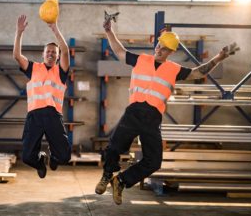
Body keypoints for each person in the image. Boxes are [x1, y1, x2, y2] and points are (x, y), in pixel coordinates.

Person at [95, 16, 236, 205]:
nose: (159, 50)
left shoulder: (174, 69)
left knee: (154, 162)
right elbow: (120, 51)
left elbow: (199, 72)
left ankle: (120, 181)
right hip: (134, 112)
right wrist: (109, 31)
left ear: (171, 51)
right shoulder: (140, 60)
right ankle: (107, 175)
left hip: (153, 117)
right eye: (158, 46)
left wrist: (219, 57)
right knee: (113, 147)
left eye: (164, 48)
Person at [13, 14, 71, 179]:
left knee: (64, 157)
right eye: (48, 51)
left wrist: (55, 29)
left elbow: (66, 50)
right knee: (27, 157)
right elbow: (17, 56)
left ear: (58, 56)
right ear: (43, 54)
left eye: (54, 52)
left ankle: (53, 157)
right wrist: (19, 32)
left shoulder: (60, 71)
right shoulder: (33, 68)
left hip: (53, 116)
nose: (51, 54)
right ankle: (40, 162)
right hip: (34, 116)